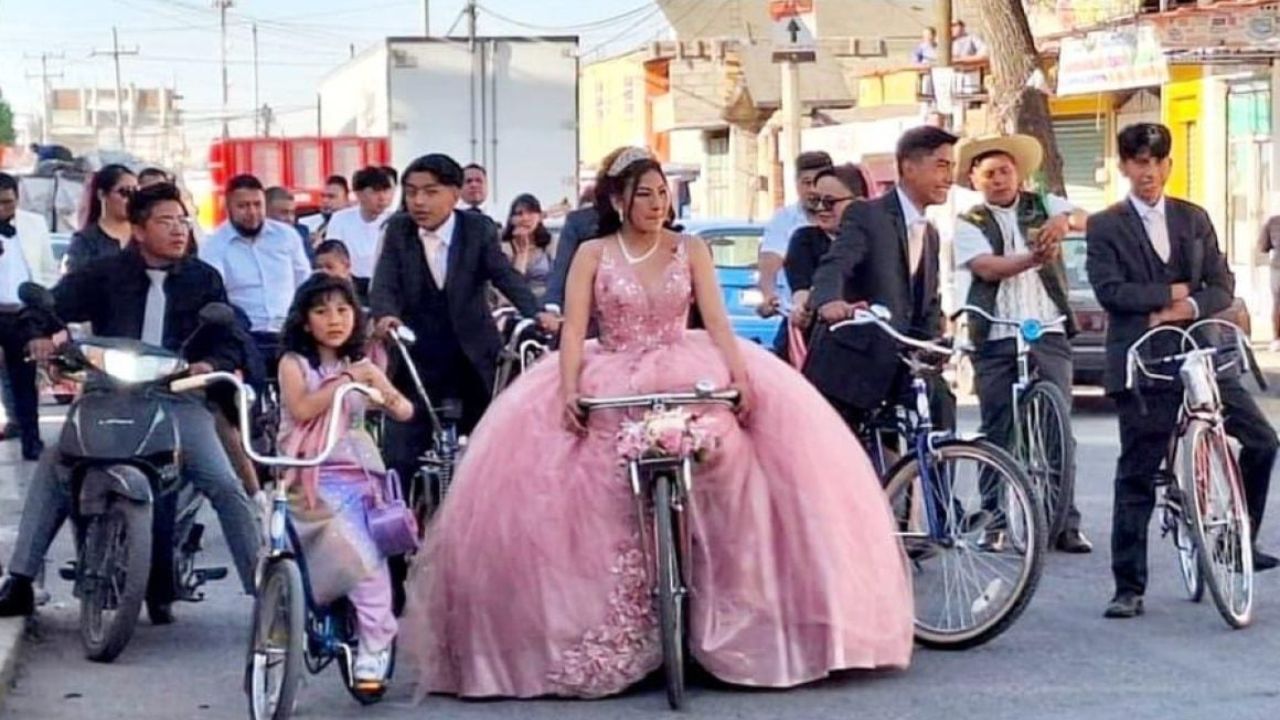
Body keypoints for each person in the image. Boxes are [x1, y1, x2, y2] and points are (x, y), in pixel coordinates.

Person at [397, 145, 913, 700]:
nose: (656, 203)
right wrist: (570, 388)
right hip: (609, 374)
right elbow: (574, 330)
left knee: (735, 471)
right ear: (619, 201)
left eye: (663, 193)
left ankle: (731, 621)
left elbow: (716, 321)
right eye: (644, 194)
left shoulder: (690, 249)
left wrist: (740, 378)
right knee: (585, 490)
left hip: (686, 367)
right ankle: (616, 629)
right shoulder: (593, 253)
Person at [0, 182, 261, 618]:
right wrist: (39, 336)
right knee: (55, 466)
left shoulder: (202, 278)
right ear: (138, 230)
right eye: (165, 221)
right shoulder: (104, 273)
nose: (178, 230)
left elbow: (229, 336)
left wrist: (209, 363)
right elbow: (47, 308)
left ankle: (265, 590)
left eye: (182, 220)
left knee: (224, 483)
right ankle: (21, 580)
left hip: (178, 398)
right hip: (108, 393)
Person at [1086, 123, 1280, 619]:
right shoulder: (1106, 224)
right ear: (1125, 167)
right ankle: (1128, 587)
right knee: (1138, 470)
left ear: (1168, 165)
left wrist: (1185, 305)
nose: (1147, 171)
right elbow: (1111, 291)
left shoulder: (1192, 218)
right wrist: (1167, 293)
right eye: (1137, 162)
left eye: (1155, 161)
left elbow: (1222, 282)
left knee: (1261, 441)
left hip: (1200, 352)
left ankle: (1239, 536)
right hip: (1143, 360)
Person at [951, 133, 1093, 554]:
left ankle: (1064, 522)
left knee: (1058, 427)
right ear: (975, 179)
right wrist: (1032, 259)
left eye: (1005, 171)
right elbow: (986, 268)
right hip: (995, 332)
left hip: (1046, 328)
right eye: (989, 173)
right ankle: (994, 519)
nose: (999, 180)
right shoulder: (969, 223)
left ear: (1018, 174)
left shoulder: (1042, 203)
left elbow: (1088, 218)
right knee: (998, 428)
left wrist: (1062, 223)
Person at [277, 273, 413, 685]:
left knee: (368, 557)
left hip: (357, 475)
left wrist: (381, 391)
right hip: (307, 474)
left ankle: (375, 642)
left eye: (343, 309)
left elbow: (404, 411)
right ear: (305, 321)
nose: (334, 319)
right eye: (321, 311)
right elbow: (301, 409)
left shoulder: (367, 365)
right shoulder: (294, 364)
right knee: (316, 543)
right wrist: (348, 382)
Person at [808, 126, 958, 436]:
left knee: (940, 403)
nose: (950, 178)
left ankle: (937, 484)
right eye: (941, 166)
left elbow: (927, 302)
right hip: (852, 365)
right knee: (841, 458)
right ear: (908, 167)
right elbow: (835, 264)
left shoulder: (929, 233)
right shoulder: (868, 215)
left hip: (898, 364)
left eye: (952, 167)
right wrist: (828, 301)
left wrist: (934, 343)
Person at [201, 174, 311, 381]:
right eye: (243, 206)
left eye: (257, 205)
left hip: (289, 332)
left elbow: (304, 284)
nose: (252, 212)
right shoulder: (214, 245)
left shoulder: (287, 236)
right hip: (244, 337)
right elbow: (216, 295)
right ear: (228, 207)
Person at [782, 163, 870, 366]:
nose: (821, 209)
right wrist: (802, 308)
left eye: (830, 202)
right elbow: (801, 288)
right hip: (819, 346)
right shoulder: (804, 239)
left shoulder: (879, 240)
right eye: (815, 201)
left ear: (860, 202)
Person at [0, 174, 58, 459]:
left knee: (24, 381)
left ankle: (31, 441)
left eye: (7, 203)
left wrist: (43, 315)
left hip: (23, 314)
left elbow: (47, 270)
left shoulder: (33, 225)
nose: (2, 209)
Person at [756, 151, 832, 318]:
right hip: (796, 314)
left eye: (818, 183)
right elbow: (770, 260)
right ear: (796, 183)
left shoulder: (845, 216)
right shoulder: (784, 219)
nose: (813, 190)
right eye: (807, 183)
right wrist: (769, 295)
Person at [324, 167, 394, 297]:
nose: (382, 197)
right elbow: (333, 254)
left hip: (385, 286)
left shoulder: (394, 221)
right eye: (375, 192)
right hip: (350, 286)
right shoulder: (340, 219)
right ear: (359, 194)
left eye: (386, 191)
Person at [65, 164, 138, 274]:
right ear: (101, 194)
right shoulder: (85, 241)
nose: (131, 200)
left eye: (136, 193)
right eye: (125, 192)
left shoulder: (145, 236)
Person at [499, 193, 556, 302]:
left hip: (547, 300)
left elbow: (557, 278)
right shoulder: (504, 248)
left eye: (530, 212)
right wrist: (522, 253)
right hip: (516, 303)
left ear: (539, 217)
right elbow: (512, 287)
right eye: (519, 214)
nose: (525, 218)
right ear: (511, 220)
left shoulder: (550, 243)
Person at [265, 185, 315, 262]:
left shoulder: (301, 235)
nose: (290, 219)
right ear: (266, 213)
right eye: (284, 213)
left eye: (292, 213)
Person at [302, 174, 352, 242]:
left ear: (346, 199)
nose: (325, 201)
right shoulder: (306, 224)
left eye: (331, 197)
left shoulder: (355, 226)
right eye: (323, 196)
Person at [1255, 214, 1280, 351]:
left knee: (1278, 304)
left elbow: (1262, 246)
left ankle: (1277, 338)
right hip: (1278, 268)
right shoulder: (1273, 222)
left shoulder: (1274, 222)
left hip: (1277, 267)